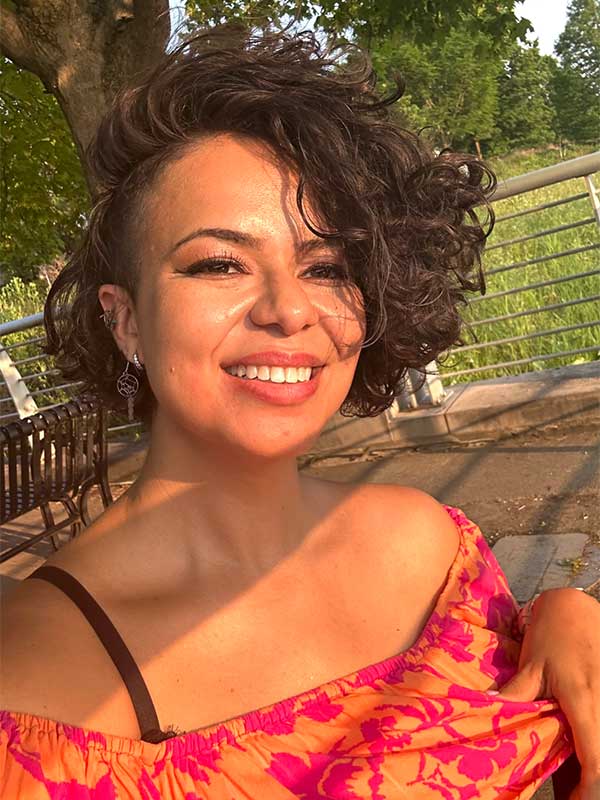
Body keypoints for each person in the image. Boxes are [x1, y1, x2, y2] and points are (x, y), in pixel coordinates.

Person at [1, 25, 599, 800]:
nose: (290, 309)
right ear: (126, 322)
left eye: (326, 266)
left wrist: (561, 613)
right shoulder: (36, 690)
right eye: (219, 264)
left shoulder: (437, 548)